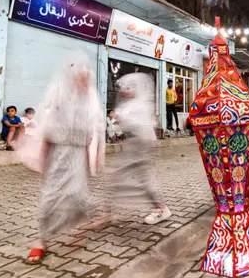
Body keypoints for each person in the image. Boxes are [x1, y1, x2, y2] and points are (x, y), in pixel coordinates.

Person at [25, 53, 105, 264]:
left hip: (78, 155)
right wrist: (43, 156)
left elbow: (96, 130)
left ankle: (88, 216)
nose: (83, 79)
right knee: (50, 197)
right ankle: (42, 240)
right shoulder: (58, 94)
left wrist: (95, 157)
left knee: (78, 196)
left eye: (86, 75)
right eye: (80, 75)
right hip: (58, 154)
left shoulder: (91, 100)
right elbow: (46, 124)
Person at [107, 73, 172, 225]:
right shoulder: (130, 105)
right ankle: (108, 213)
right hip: (133, 144)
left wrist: (123, 119)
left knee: (145, 179)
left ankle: (162, 209)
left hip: (142, 144)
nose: (124, 91)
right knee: (120, 176)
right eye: (123, 88)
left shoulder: (141, 104)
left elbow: (140, 125)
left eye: (128, 88)